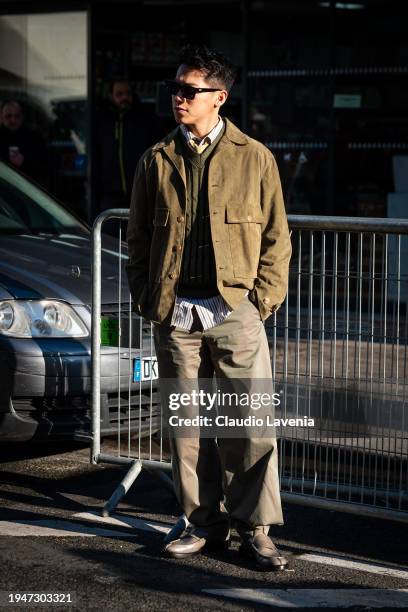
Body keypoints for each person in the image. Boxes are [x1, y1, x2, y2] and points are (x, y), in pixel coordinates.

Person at [126, 45, 292, 570]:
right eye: (174, 89)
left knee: (249, 421)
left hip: (235, 308)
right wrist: (148, 297)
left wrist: (260, 302)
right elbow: (136, 241)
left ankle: (256, 530)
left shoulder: (255, 157)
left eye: (189, 91)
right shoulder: (156, 159)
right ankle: (201, 524)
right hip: (175, 312)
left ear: (218, 98)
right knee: (187, 426)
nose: (178, 98)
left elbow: (276, 239)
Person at [95, 78, 153, 214]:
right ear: (111, 96)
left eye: (128, 93)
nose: (124, 97)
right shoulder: (103, 120)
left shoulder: (144, 119)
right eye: (119, 94)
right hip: (110, 195)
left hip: (140, 192)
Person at [0, 100, 47, 184]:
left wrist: (25, 162)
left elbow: (45, 165)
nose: (13, 120)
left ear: (22, 117)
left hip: (27, 187)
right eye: (8, 116)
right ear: (2, 117)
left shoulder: (34, 138)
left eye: (16, 116)